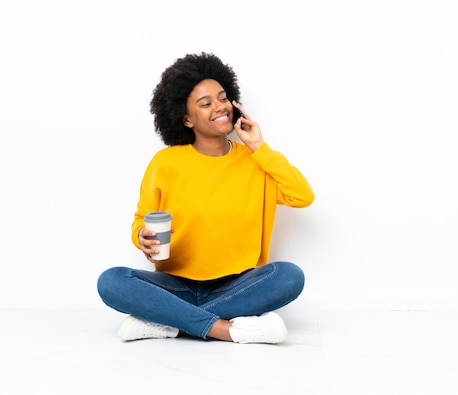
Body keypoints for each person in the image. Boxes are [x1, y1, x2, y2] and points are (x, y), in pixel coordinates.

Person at [97, 52, 314, 344]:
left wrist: (259, 147)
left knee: (289, 276)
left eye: (222, 98)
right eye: (206, 103)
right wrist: (142, 237)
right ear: (186, 119)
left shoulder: (254, 161)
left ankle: (170, 322)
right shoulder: (165, 163)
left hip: (237, 285)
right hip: (176, 285)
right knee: (111, 281)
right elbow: (141, 220)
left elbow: (302, 196)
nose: (219, 107)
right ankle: (225, 329)